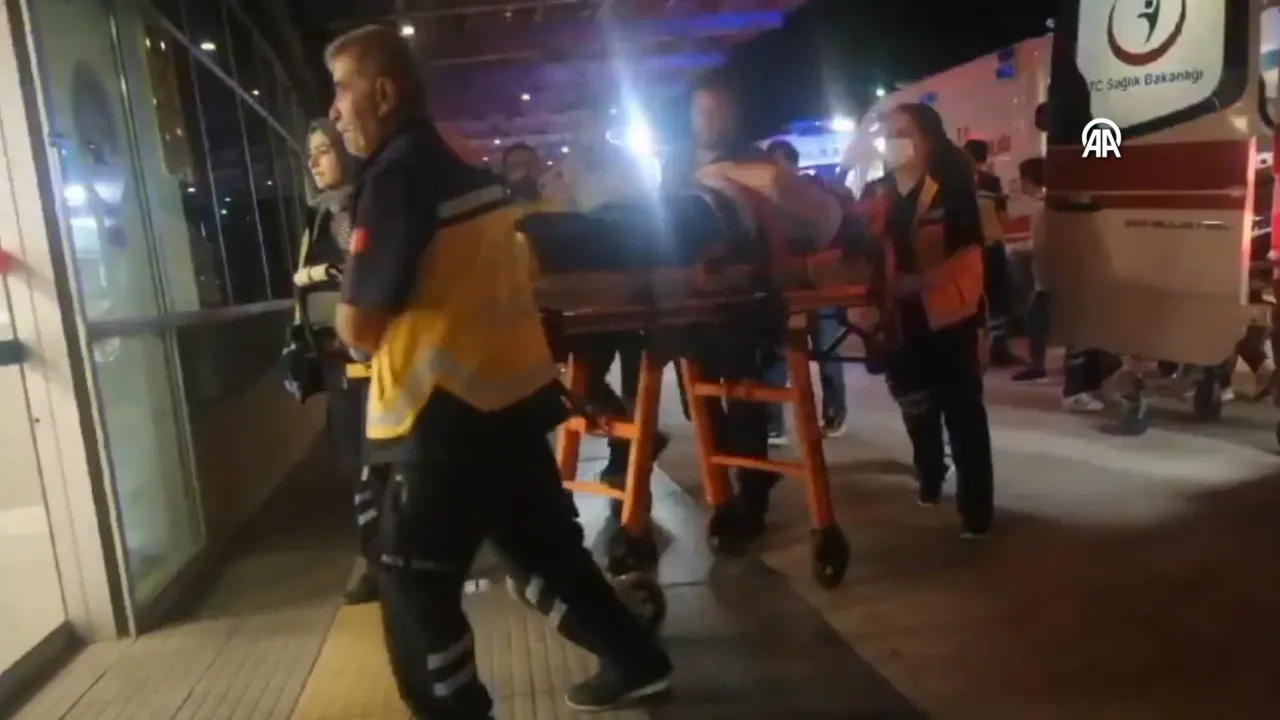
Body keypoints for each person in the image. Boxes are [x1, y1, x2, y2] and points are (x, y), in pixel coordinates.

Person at [324, 25, 672, 716]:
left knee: (410, 579)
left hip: (437, 417)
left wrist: (341, 319)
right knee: (544, 552)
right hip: (509, 401)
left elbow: (360, 326)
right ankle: (637, 660)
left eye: (341, 89)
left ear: (383, 93)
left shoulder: (394, 178)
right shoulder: (474, 179)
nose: (333, 110)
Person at [882, 104, 995, 538]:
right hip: (903, 319)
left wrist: (919, 282)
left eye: (903, 131)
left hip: (950, 317)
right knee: (915, 405)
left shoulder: (952, 187)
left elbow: (969, 253)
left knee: (963, 414)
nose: (894, 141)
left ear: (927, 137)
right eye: (889, 133)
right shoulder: (886, 191)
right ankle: (930, 472)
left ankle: (976, 510)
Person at [292, 118, 384, 604]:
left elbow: (371, 274)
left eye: (323, 150)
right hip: (337, 361)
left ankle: (388, 560)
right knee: (353, 463)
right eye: (310, 154)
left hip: (378, 360)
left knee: (382, 464)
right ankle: (375, 556)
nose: (314, 162)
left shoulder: (367, 206)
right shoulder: (319, 217)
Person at [762, 138, 848, 442]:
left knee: (827, 350)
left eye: (778, 163)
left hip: (821, 286)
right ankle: (773, 422)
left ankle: (834, 414)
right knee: (778, 353)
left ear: (792, 164)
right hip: (788, 288)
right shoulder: (769, 200)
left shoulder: (814, 194)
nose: (773, 170)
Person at [963, 138, 1021, 367]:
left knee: (970, 299)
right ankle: (998, 348)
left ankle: (971, 350)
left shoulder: (955, 182)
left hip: (967, 251)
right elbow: (1003, 219)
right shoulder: (992, 182)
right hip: (992, 248)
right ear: (985, 158)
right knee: (997, 298)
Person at [1011, 157, 1050, 383]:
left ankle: (1037, 366)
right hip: (1047, 272)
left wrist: (1016, 250)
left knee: (1037, 318)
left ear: (1028, 179)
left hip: (1046, 273)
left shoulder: (1042, 207)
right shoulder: (1045, 204)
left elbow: (1040, 244)